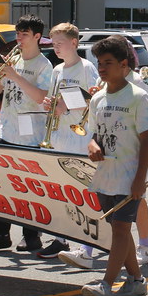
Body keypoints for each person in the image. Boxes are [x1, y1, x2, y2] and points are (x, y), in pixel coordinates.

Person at [79, 36, 148, 296]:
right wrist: (91, 145)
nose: (101, 68)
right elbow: (93, 134)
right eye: (99, 63)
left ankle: (106, 284)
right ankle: (136, 280)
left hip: (128, 176)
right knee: (118, 231)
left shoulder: (138, 96)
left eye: (108, 63)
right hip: (105, 176)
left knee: (122, 230)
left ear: (124, 65)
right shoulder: (98, 98)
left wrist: (140, 179)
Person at [0, 15, 52, 253]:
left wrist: (16, 76)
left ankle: (31, 236)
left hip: (30, 133)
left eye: (24, 35)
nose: (18, 39)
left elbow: (42, 98)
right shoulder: (14, 58)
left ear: (37, 37)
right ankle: (0, 234)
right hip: (5, 128)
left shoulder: (44, 65)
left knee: (29, 187)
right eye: (18, 34)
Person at [36, 23, 100, 259]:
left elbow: (95, 98)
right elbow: (54, 99)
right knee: (61, 190)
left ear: (74, 43)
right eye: (53, 44)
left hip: (79, 137)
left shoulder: (86, 67)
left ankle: (87, 240)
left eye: (60, 43)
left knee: (82, 190)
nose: (56, 48)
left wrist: (66, 106)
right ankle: (61, 238)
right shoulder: (57, 70)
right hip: (60, 135)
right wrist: (49, 105)